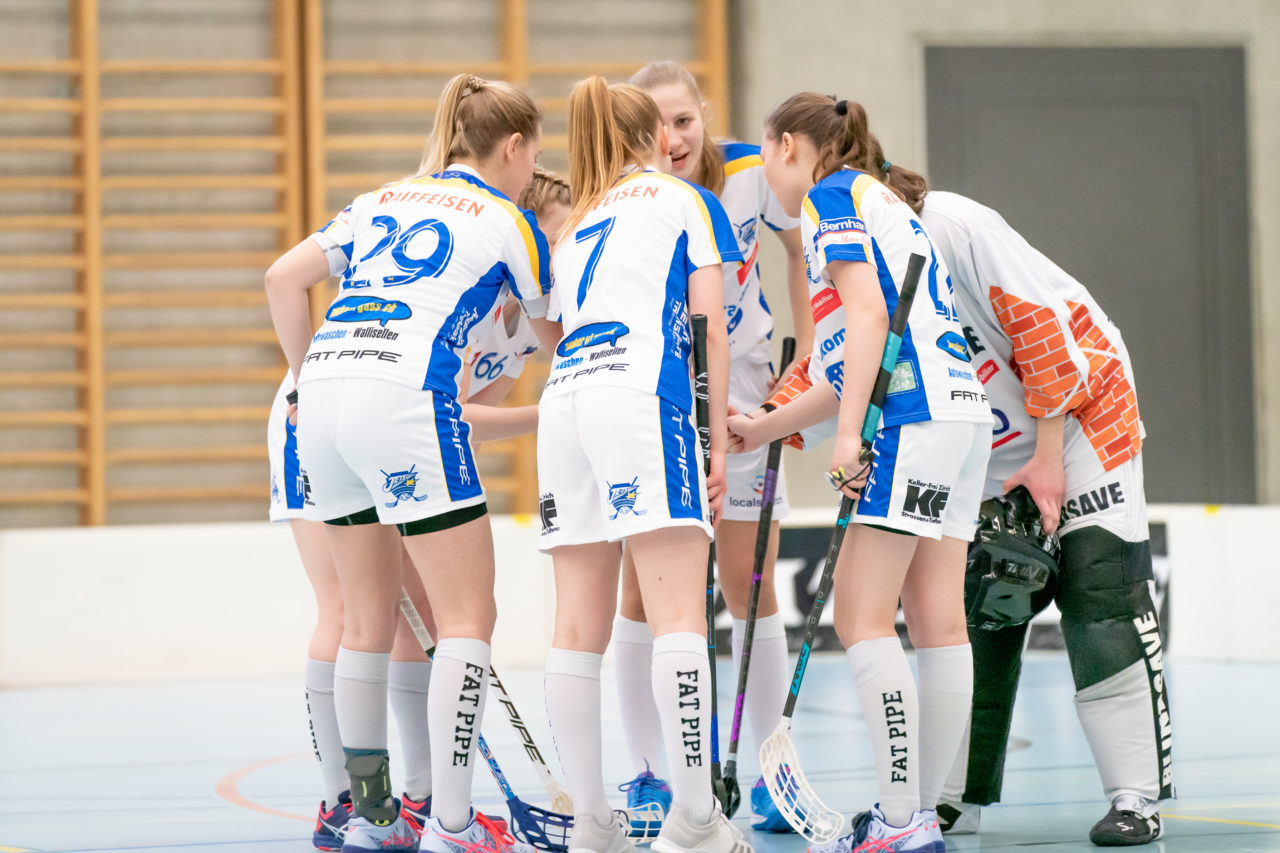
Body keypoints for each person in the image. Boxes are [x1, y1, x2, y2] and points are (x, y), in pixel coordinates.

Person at [265, 72, 558, 853]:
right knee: (466, 617)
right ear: (516, 145)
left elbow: (281, 280)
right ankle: (454, 825)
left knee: (363, 619)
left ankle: (374, 818)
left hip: (321, 397)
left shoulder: (382, 198)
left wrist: (302, 381)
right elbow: (557, 341)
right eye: (534, 157)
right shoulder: (508, 221)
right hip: (405, 398)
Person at [729, 93, 992, 853]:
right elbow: (848, 355)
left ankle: (902, 820)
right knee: (940, 620)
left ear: (784, 145)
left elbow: (871, 316)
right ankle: (918, 812)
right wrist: (765, 427)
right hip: (958, 414)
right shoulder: (882, 200)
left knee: (862, 616)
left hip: (909, 417)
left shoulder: (829, 195)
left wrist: (849, 437)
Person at [536, 76, 752, 853]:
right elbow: (711, 331)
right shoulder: (683, 199)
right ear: (655, 138)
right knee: (677, 615)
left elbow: (557, 333)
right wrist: (716, 445)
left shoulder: (579, 221)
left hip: (565, 406)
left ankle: (592, 821)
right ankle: (695, 818)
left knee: (573, 628)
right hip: (638, 398)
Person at [921, 189, 1172, 847]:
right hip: (988, 443)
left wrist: (1051, 457)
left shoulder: (952, 226)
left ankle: (1135, 796)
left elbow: (1043, 332)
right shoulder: (846, 253)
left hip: (1084, 418)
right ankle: (954, 798)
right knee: (983, 602)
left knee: (1100, 593)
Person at [607, 59, 812, 836]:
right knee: (644, 592)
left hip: (746, 407)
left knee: (747, 587)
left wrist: (800, 368)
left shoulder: (757, 176)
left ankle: (771, 772)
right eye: (655, 123)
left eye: (684, 120)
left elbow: (799, 256)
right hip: (656, 408)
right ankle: (648, 774)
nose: (672, 136)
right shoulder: (629, 196)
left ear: (705, 116)